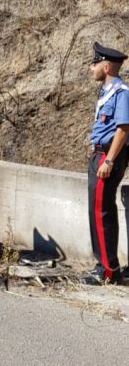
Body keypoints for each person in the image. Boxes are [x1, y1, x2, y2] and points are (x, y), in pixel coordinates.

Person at [87, 41, 129, 284]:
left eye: (95, 64)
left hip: (107, 157)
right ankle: (102, 263)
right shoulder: (107, 91)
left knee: (102, 212)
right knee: (97, 212)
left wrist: (110, 161)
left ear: (106, 66)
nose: (91, 68)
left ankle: (108, 271)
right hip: (99, 155)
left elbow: (123, 129)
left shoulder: (122, 93)